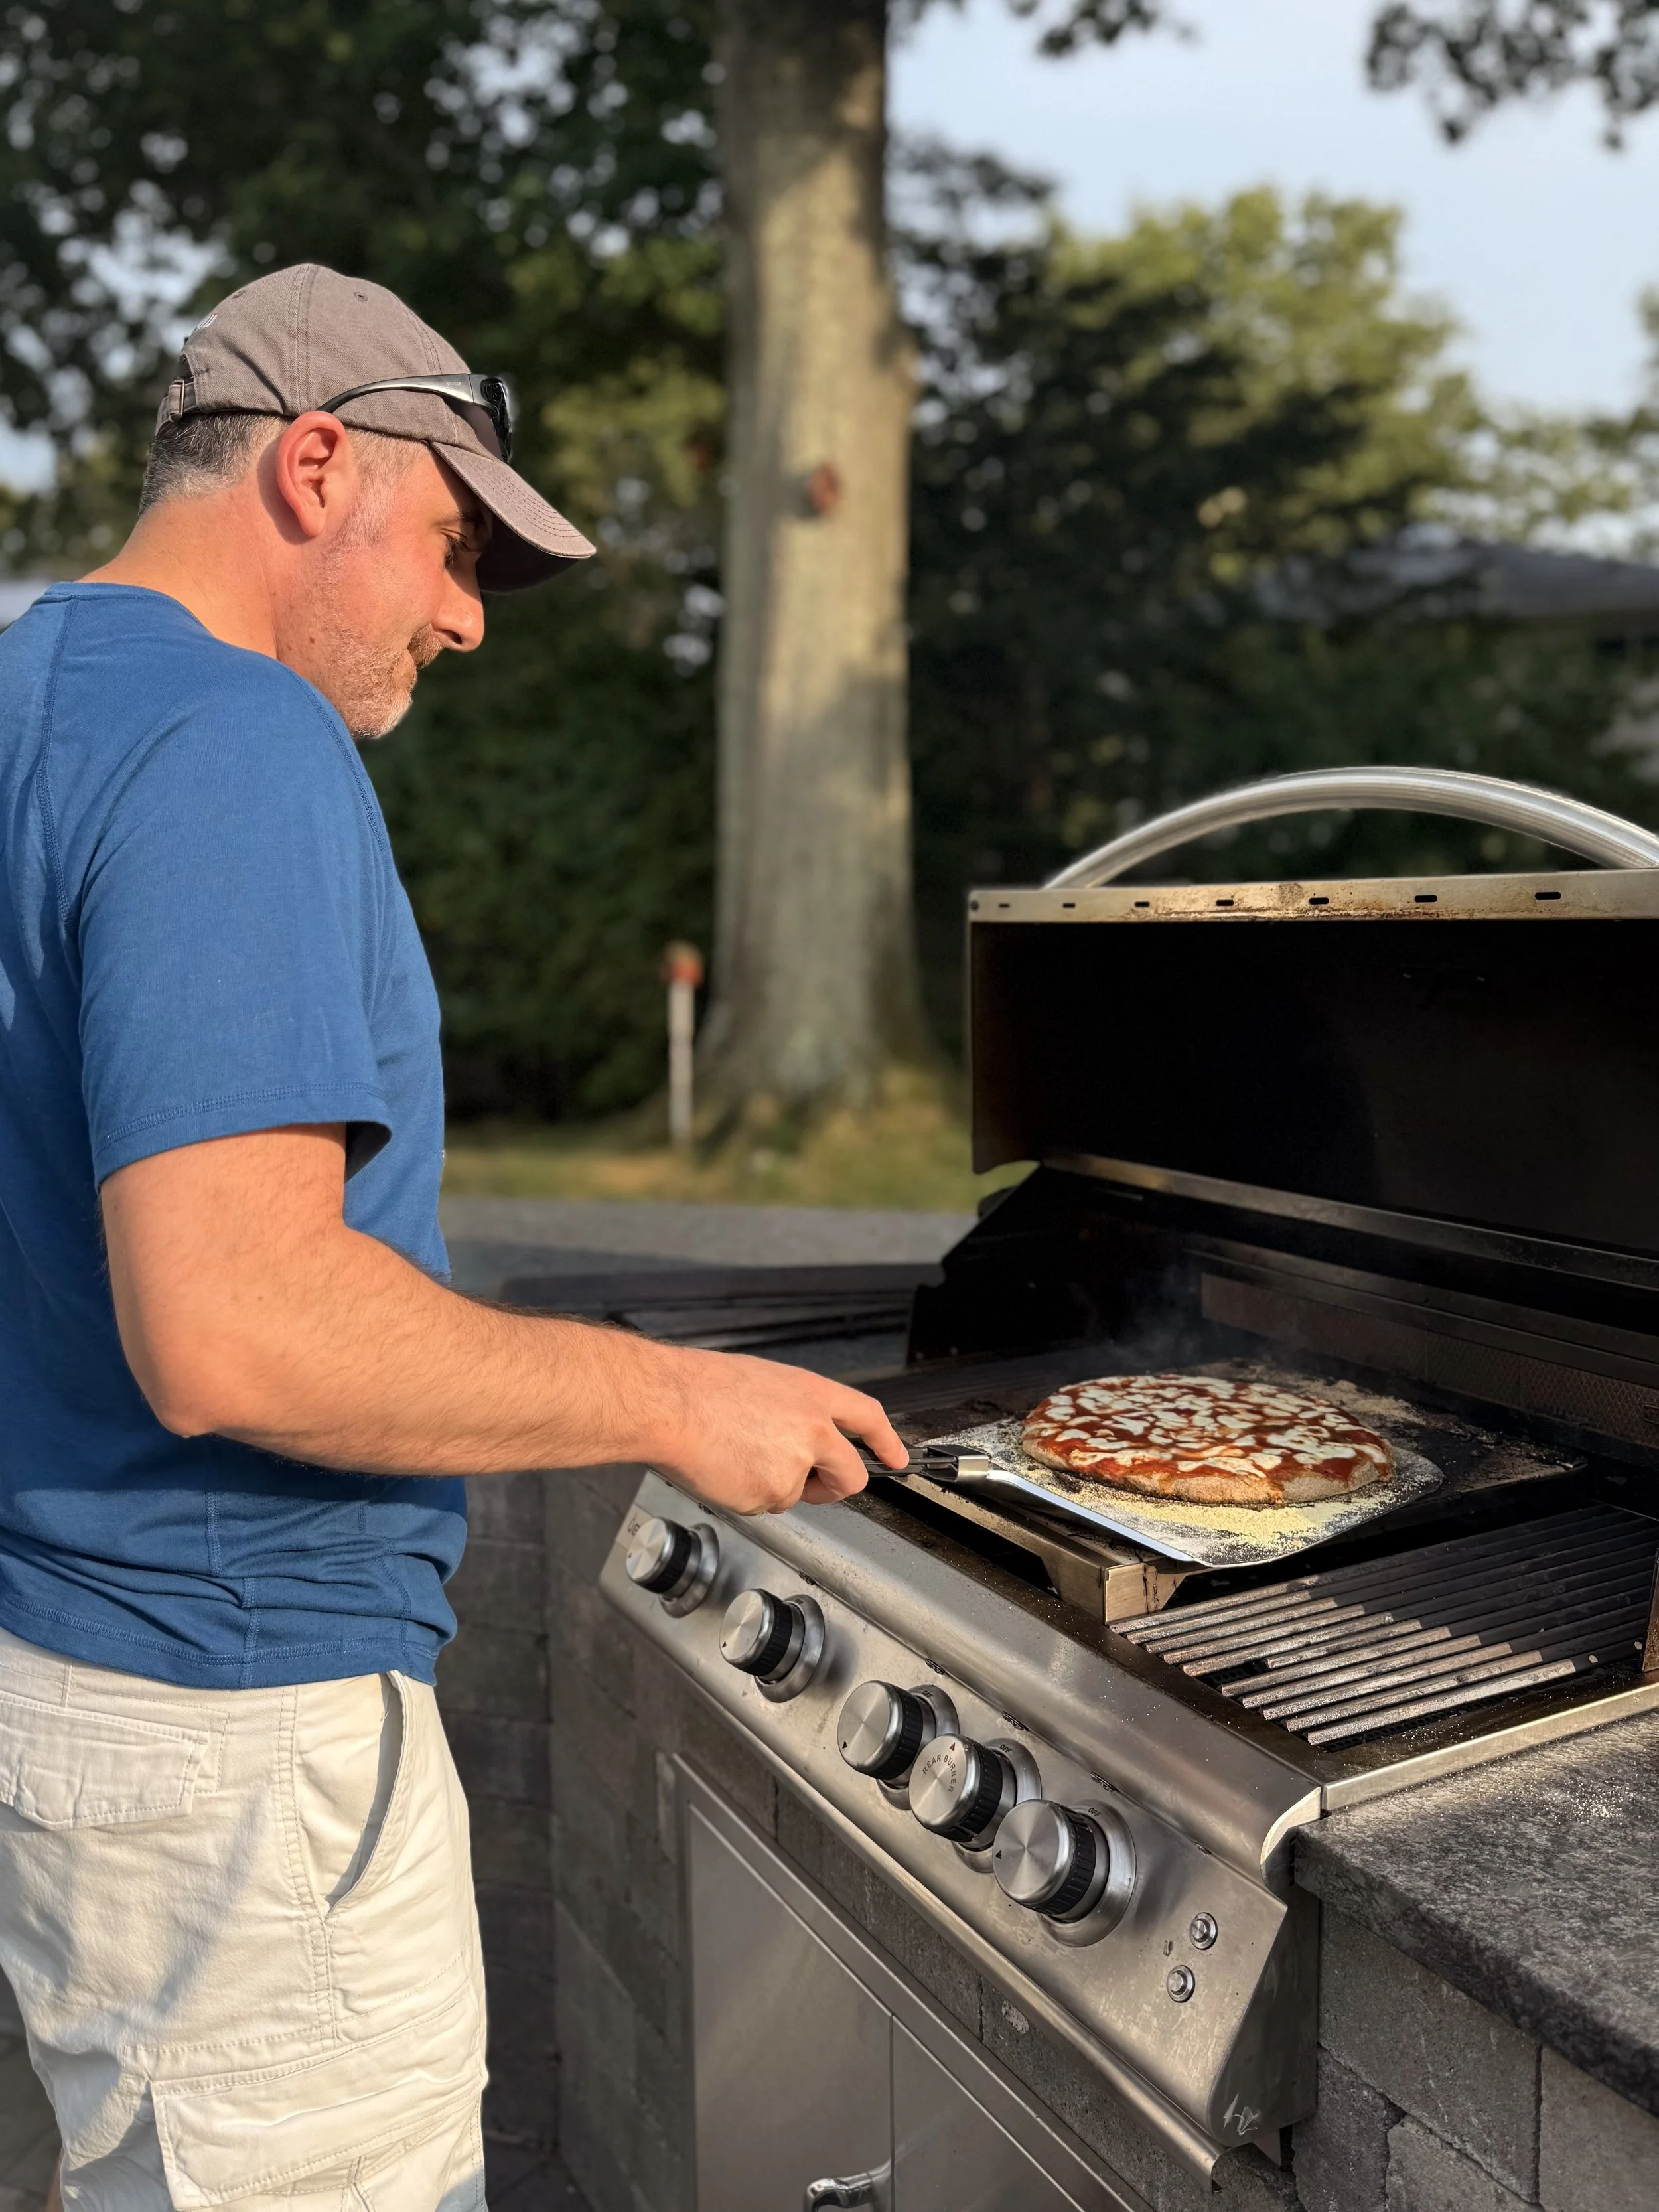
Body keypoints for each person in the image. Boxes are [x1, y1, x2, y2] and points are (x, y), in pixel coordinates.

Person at [0, 263, 908, 2212]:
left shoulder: (25, 696)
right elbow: (239, 1325)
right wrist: (667, 1394)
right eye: (454, 541)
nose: (467, 615)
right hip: (235, 1730)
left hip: (74, 1678)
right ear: (317, 463)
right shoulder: (231, 738)